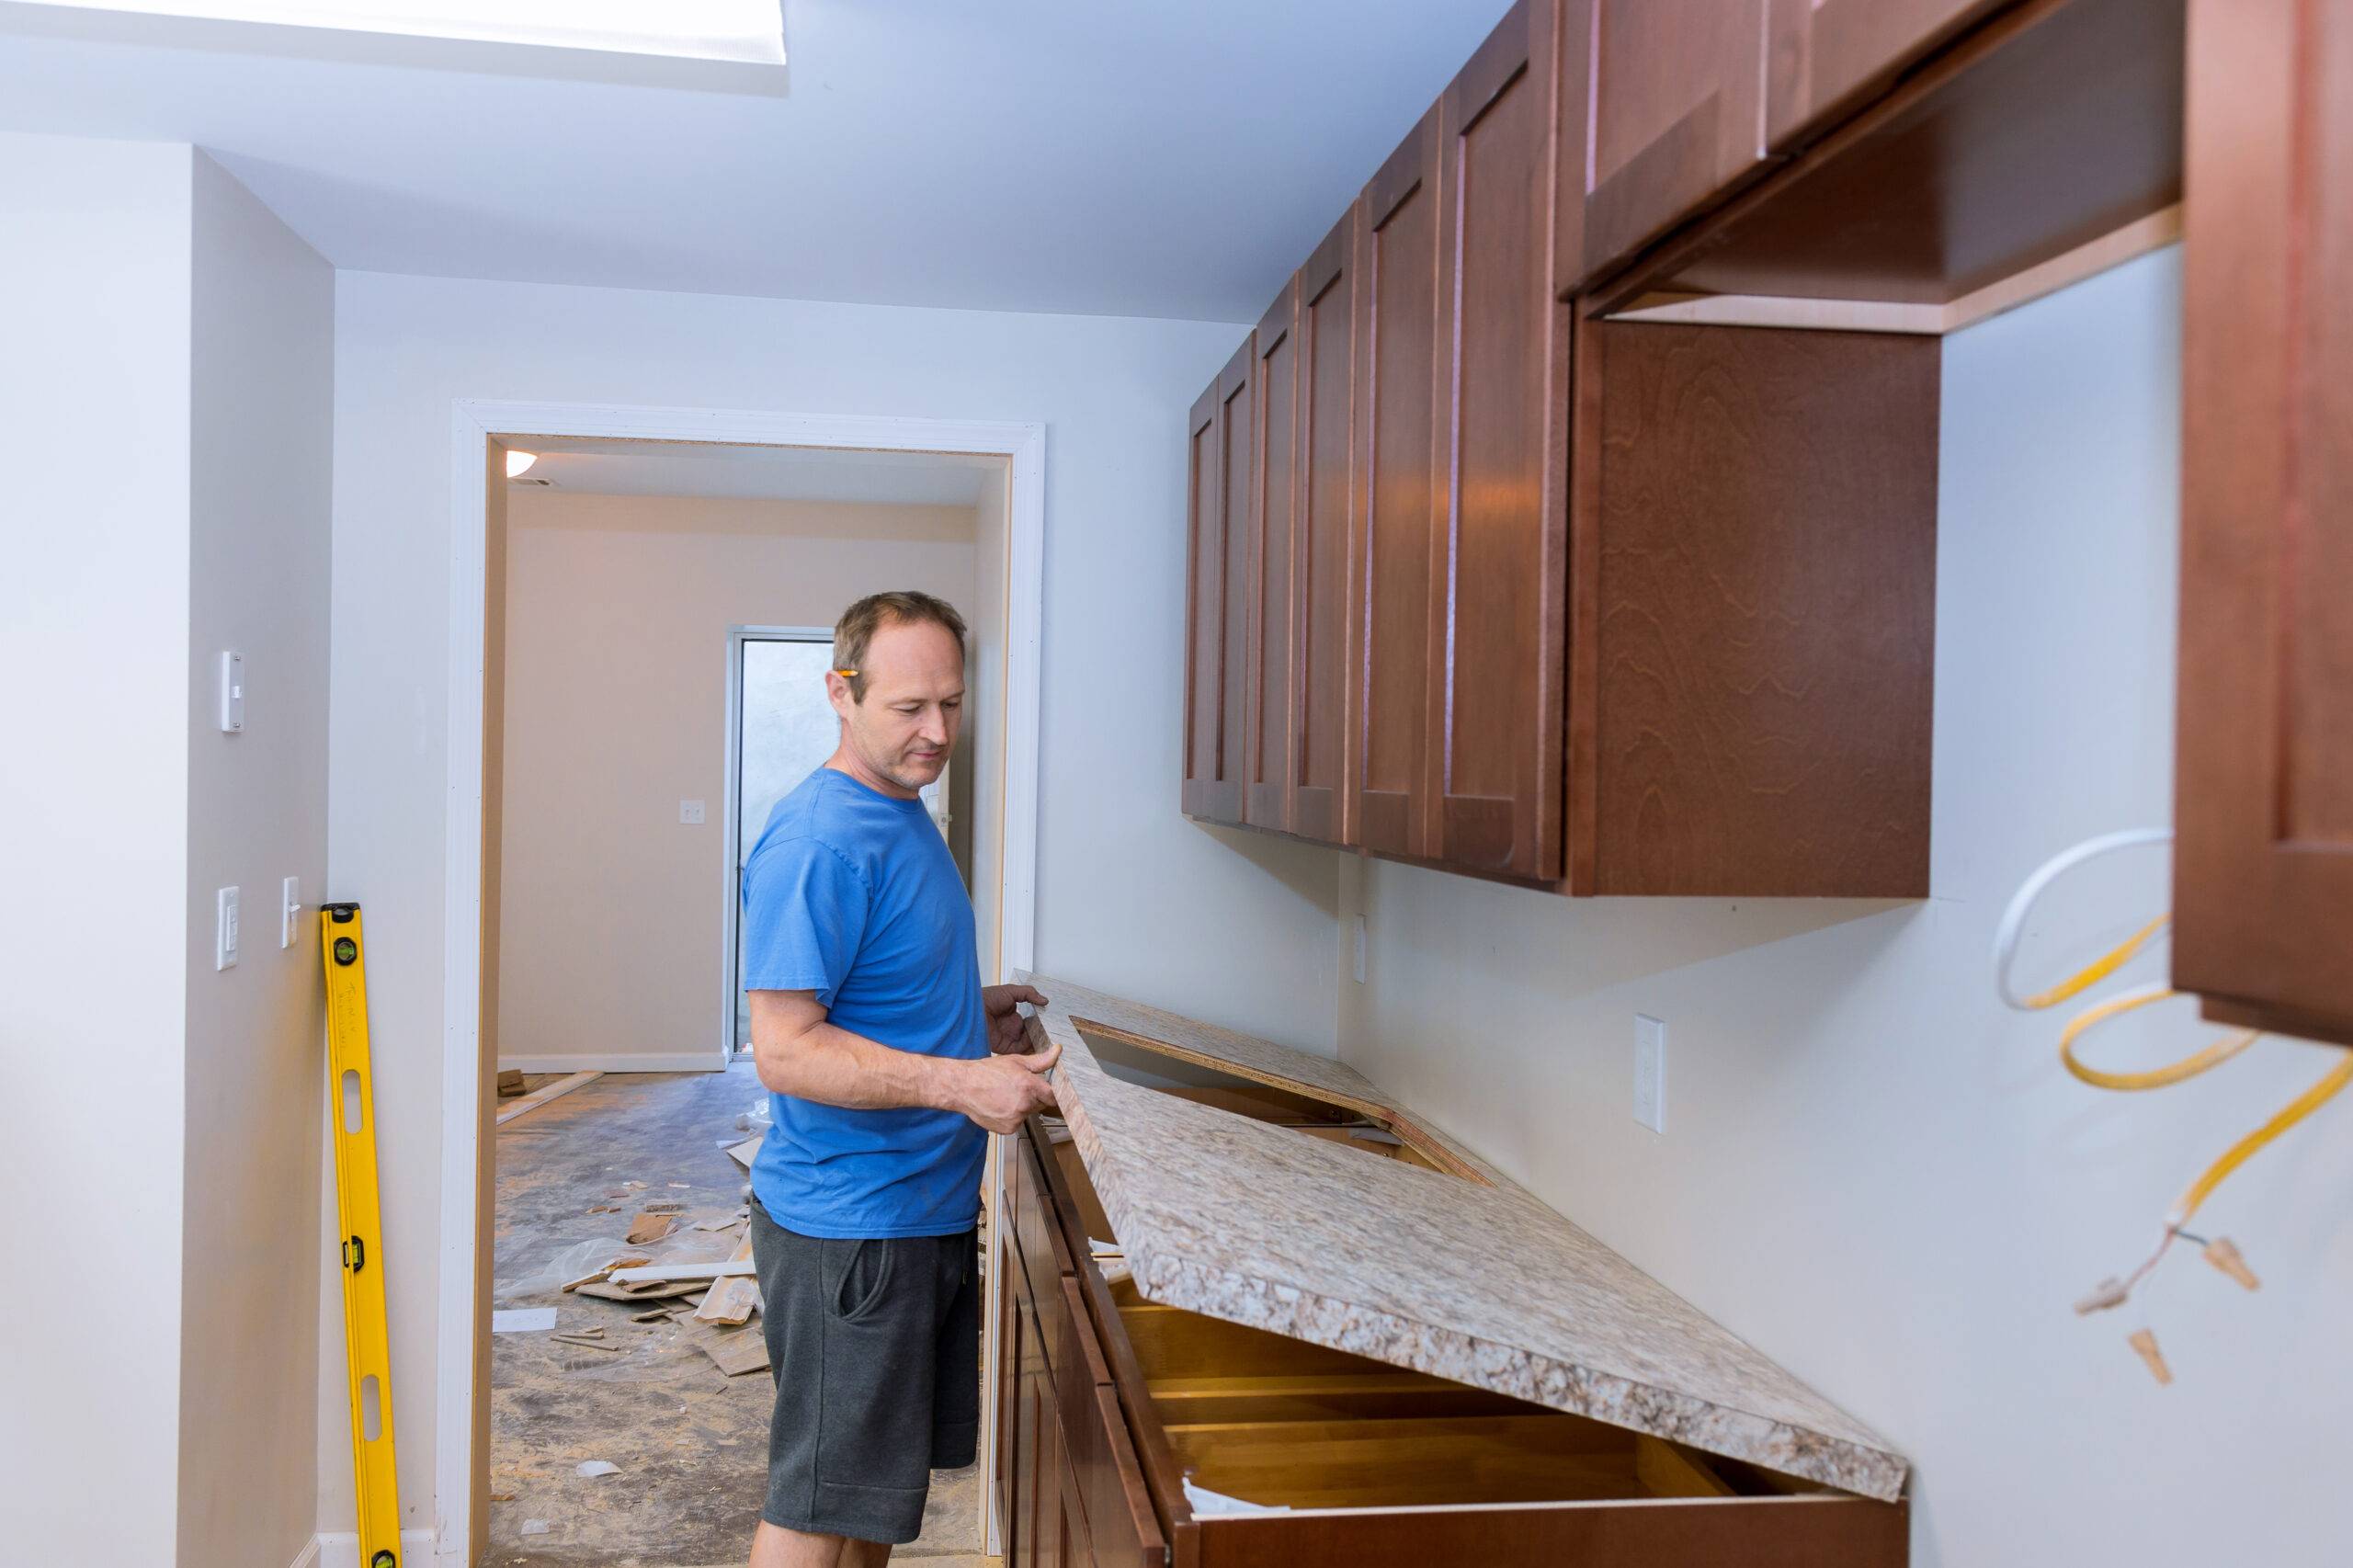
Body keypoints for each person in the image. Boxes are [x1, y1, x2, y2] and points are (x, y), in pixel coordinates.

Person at [739, 590, 1059, 1568]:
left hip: (910, 1215)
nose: (935, 731)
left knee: (868, 1506)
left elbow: (869, 987)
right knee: (814, 1504)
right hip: (853, 1228)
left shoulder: (899, 811)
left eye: (951, 705)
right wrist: (962, 1084)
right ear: (841, 691)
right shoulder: (819, 838)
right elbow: (785, 1046)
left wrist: (971, 1011)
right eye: (908, 706)